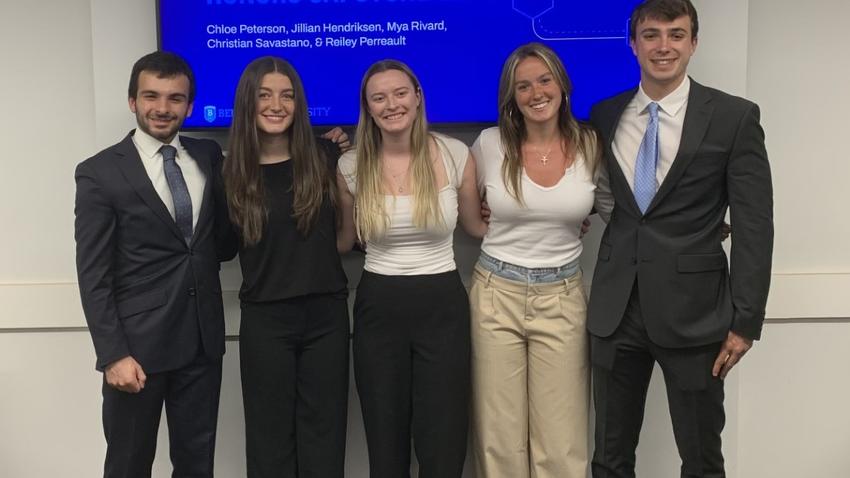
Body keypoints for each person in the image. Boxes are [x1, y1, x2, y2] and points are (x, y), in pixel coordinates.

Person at [587, 1, 773, 476]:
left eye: (675, 34)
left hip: (697, 316)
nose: (663, 46)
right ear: (633, 43)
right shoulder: (605, 115)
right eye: (651, 35)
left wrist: (745, 319)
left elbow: (754, 224)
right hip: (617, 310)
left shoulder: (734, 117)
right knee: (609, 458)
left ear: (693, 43)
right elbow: (605, 198)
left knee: (701, 457)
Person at [74, 51, 237, 477]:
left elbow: (220, 245)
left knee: (196, 464)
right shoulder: (99, 172)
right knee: (129, 464)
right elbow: (93, 274)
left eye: (175, 98)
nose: (163, 108)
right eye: (151, 96)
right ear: (133, 101)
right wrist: (113, 355)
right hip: (136, 351)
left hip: (202, 343)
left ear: (190, 105)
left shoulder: (208, 157)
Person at [336, 59, 487, 477]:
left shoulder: (455, 154)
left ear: (418, 97)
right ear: (367, 108)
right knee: (385, 439)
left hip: (442, 305)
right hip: (378, 307)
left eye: (400, 93)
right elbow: (344, 241)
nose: (391, 105)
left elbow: (477, 227)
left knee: (443, 439)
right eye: (378, 98)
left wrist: (554, 217)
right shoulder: (349, 167)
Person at [468, 42, 609, 478]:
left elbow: (615, 208)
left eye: (544, 80)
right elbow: (471, 221)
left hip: (563, 297)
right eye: (523, 86)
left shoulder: (591, 145)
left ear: (562, 85)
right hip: (495, 296)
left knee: (562, 443)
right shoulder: (489, 144)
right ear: (511, 97)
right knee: (499, 439)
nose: (536, 93)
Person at [222, 56, 350, 478]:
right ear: (248, 103)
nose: (276, 105)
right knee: (269, 442)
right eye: (264, 95)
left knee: (324, 439)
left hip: (326, 319)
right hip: (266, 320)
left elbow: (349, 233)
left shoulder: (326, 156)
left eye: (287, 95)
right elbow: (218, 247)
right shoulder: (229, 172)